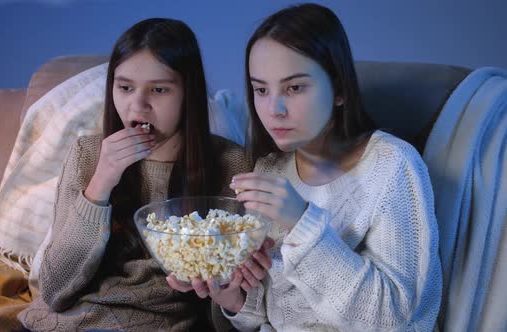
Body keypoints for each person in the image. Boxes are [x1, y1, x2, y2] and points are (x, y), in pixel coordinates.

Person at [169, 3, 442, 331]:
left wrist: (302, 224)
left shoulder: (393, 165)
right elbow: (269, 314)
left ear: (339, 89)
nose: (274, 109)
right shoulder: (269, 170)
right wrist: (231, 297)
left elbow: (391, 318)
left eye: (294, 88)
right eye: (260, 90)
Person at [17, 18, 251, 331]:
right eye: (125, 87)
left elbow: (231, 314)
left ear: (188, 94)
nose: (137, 105)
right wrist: (100, 184)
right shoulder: (88, 153)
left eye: (158, 89)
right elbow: (55, 290)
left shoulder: (232, 164)